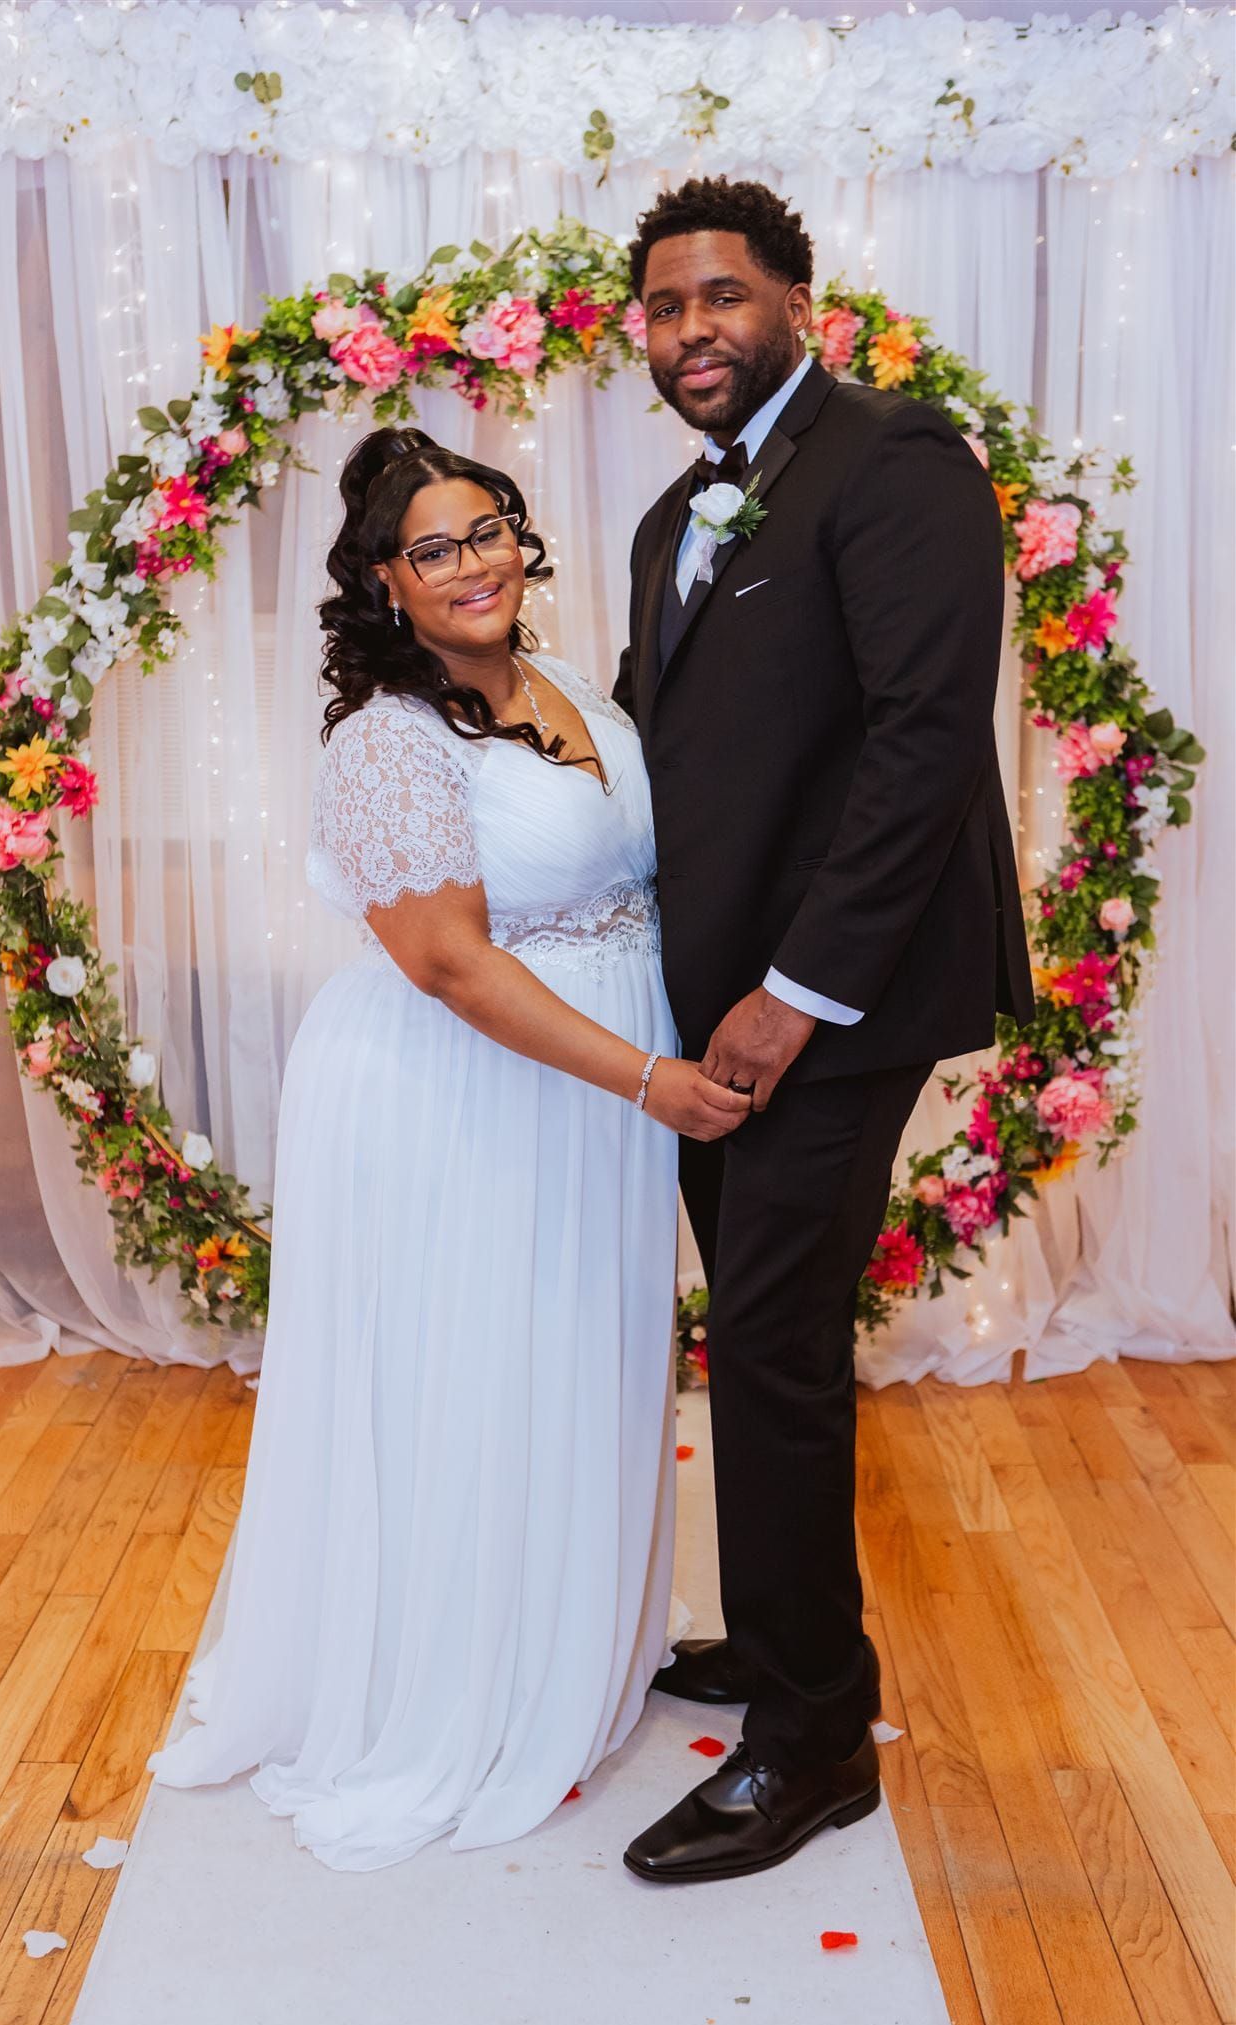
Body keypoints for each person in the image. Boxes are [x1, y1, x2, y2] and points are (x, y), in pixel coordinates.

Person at [148, 427, 748, 1871]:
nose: (472, 564)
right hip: (464, 1091)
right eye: (434, 548)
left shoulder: (565, 685)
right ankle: (456, 1685)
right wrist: (649, 1079)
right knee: (470, 1370)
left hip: (587, 1094)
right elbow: (450, 965)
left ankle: (567, 1644)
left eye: (487, 531)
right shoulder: (387, 741)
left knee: (572, 1357)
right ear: (384, 581)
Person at [614, 177, 1035, 1884]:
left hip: (831, 1002)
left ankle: (810, 1745)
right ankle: (787, 1638)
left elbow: (924, 741)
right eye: (663, 307)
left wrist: (792, 997)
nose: (691, 329)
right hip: (717, 998)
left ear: (797, 301)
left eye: (721, 295)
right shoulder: (674, 512)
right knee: (759, 1329)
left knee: (770, 1340)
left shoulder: (894, 458)